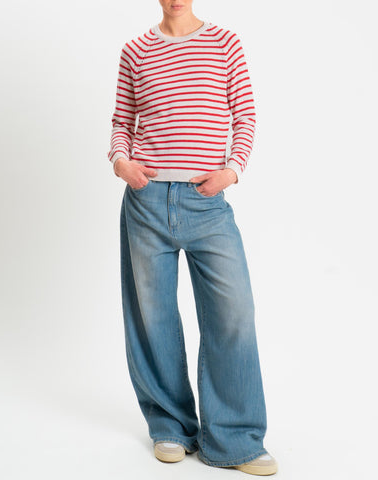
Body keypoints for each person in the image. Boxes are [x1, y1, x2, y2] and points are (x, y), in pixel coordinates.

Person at [107, 0, 278, 476]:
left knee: (233, 313)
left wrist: (232, 171)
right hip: (146, 200)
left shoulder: (224, 43)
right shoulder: (136, 50)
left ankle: (235, 439)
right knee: (153, 317)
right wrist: (120, 162)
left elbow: (245, 116)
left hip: (207, 202)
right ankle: (170, 426)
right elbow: (122, 122)